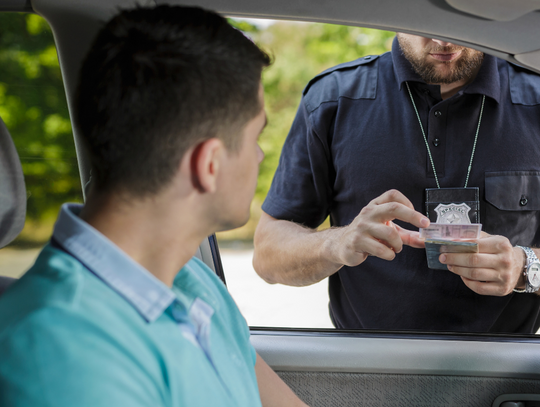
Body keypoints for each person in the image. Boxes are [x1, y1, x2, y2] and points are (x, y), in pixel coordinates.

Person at [0, 6, 308, 407]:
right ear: (209, 165)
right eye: (255, 136)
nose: (261, 155)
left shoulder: (193, 281)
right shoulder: (62, 354)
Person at [253, 33, 540, 333]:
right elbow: (267, 254)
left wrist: (526, 266)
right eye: (426, 24)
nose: (444, 42)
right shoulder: (333, 99)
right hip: (369, 366)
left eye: (456, 27)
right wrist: (335, 243)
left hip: (506, 368)